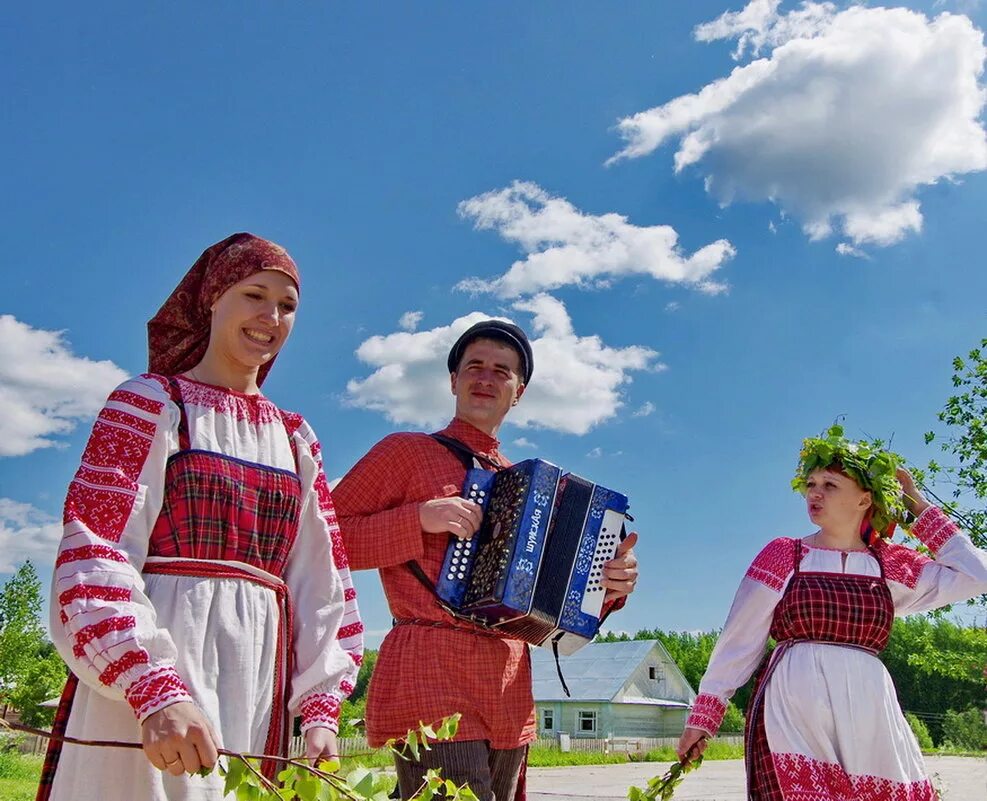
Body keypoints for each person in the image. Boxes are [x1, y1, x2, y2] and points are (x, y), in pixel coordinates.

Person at [39, 233, 364, 801]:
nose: (271, 317)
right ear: (213, 299)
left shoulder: (295, 437)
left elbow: (322, 581)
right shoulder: (149, 403)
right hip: (157, 669)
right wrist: (152, 688)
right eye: (254, 295)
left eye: (287, 306)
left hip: (257, 678)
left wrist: (320, 710)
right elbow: (96, 551)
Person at [332, 319, 640, 801]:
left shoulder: (530, 487)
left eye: (502, 371)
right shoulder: (406, 452)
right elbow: (325, 539)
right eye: (474, 366)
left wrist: (609, 586)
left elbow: (556, 607)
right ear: (453, 380)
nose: (486, 378)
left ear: (519, 392)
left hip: (507, 686)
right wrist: (419, 518)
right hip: (430, 668)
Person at [676, 424, 987, 800]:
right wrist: (705, 717)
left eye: (830, 485)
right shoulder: (786, 554)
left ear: (864, 500)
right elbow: (738, 641)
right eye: (811, 484)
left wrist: (917, 508)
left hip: (869, 718)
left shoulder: (888, 564)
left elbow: (978, 575)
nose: (815, 492)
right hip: (794, 712)